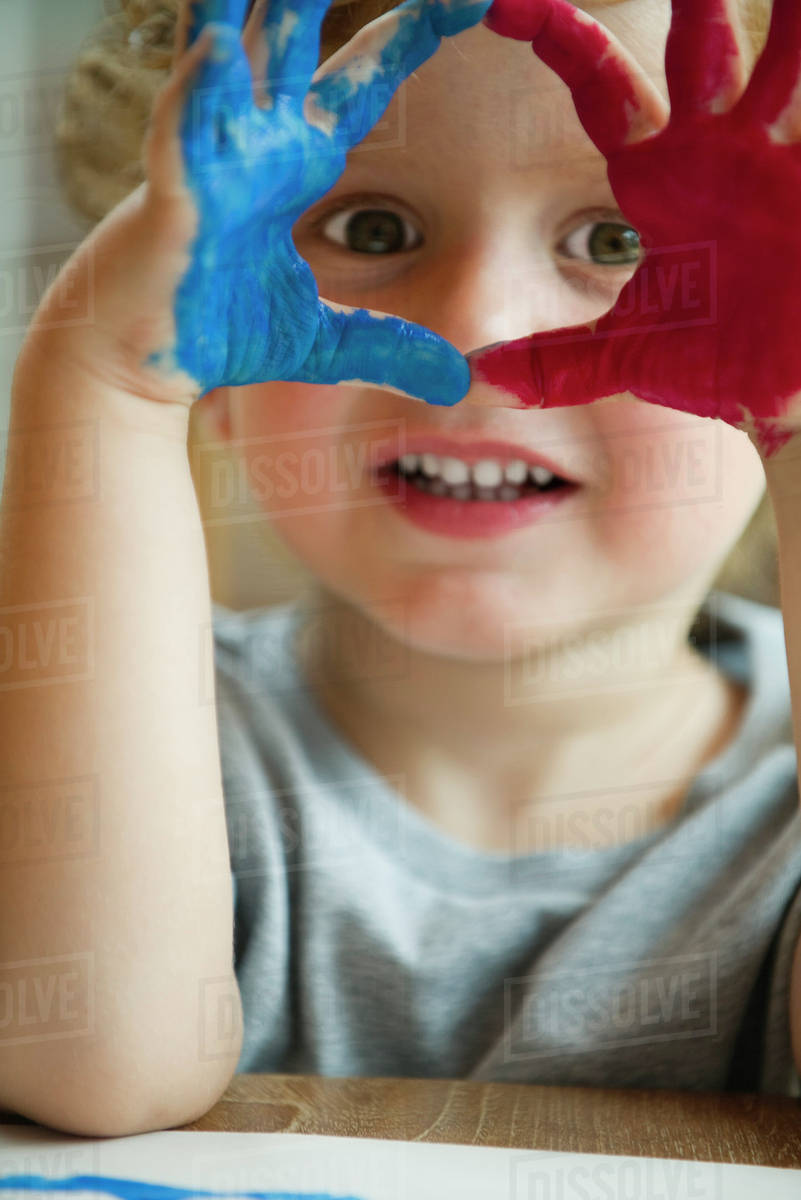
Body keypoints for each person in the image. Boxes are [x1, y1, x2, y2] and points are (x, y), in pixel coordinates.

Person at [1, 0, 799, 1138]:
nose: (477, 325)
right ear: (215, 379)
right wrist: (107, 377)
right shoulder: (110, 736)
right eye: (372, 229)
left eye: (620, 242)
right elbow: (93, 1062)